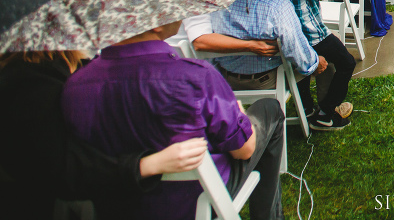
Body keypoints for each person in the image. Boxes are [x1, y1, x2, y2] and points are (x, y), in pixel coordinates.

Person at [62, 20, 286, 220]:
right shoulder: (196, 77)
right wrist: (240, 116)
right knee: (270, 109)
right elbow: (245, 150)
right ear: (156, 22)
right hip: (198, 201)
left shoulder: (74, 87)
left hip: (115, 206)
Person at [0, 51, 208, 220]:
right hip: (43, 203)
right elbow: (56, 167)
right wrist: (147, 165)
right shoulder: (27, 79)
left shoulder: (64, 62)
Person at [181, 0, 345, 129]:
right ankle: (324, 115)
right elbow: (297, 51)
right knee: (322, 53)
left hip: (225, 77)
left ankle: (307, 107)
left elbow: (203, 38)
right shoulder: (276, 3)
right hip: (267, 79)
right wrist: (316, 63)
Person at [275, 0, 358, 131]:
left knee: (301, 67)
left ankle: (306, 108)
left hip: (291, 35)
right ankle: (326, 114)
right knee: (347, 63)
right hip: (312, 33)